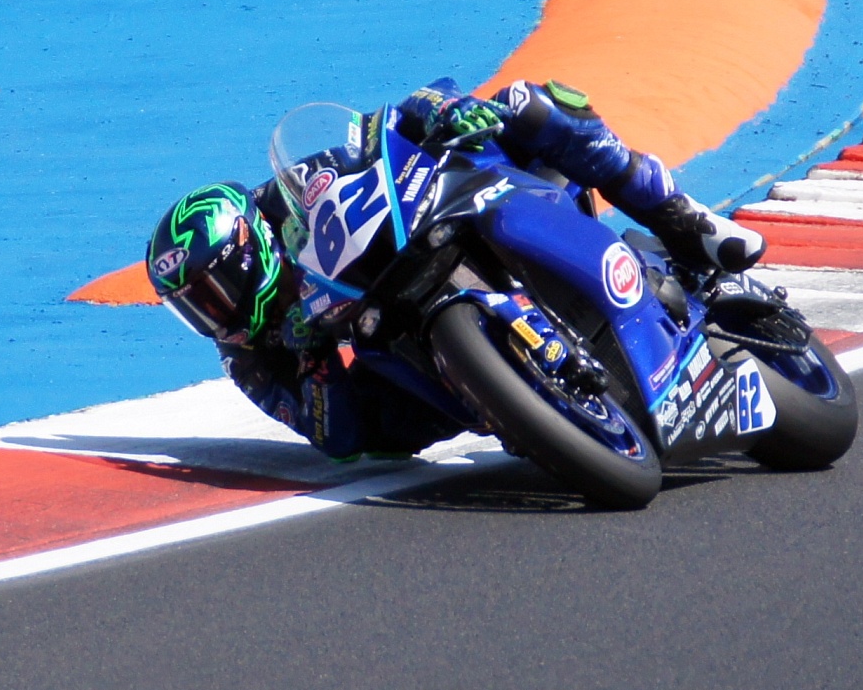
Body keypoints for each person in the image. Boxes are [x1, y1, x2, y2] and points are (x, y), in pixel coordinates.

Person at [145, 77, 767, 462]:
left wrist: (441, 110)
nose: (214, 315)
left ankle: (682, 218)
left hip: (424, 233)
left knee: (528, 105)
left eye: (213, 293)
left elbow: (381, 131)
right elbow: (332, 436)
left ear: (247, 248)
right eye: (192, 309)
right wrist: (313, 358)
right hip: (404, 351)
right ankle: (508, 398)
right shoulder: (247, 357)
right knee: (380, 432)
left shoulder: (287, 193)